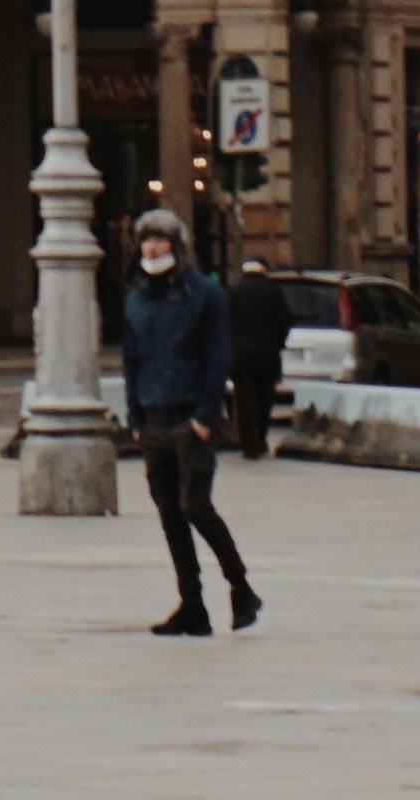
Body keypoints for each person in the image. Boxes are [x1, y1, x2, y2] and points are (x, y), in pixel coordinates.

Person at [117, 205, 256, 637]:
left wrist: (205, 416)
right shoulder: (137, 296)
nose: (152, 247)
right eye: (146, 239)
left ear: (177, 246)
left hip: (189, 421)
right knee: (170, 517)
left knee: (195, 505)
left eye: (160, 239)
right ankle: (192, 605)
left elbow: (219, 358)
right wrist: (136, 418)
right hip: (154, 422)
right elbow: (131, 359)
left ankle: (241, 587)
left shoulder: (204, 294)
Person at [221, 259, 298, 463]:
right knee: (264, 401)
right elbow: (285, 322)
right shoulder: (274, 292)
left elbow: (223, 324)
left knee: (244, 402)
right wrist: (277, 343)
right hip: (267, 356)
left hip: (240, 358)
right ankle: (261, 438)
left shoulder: (232, 292)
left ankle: (249, 444)